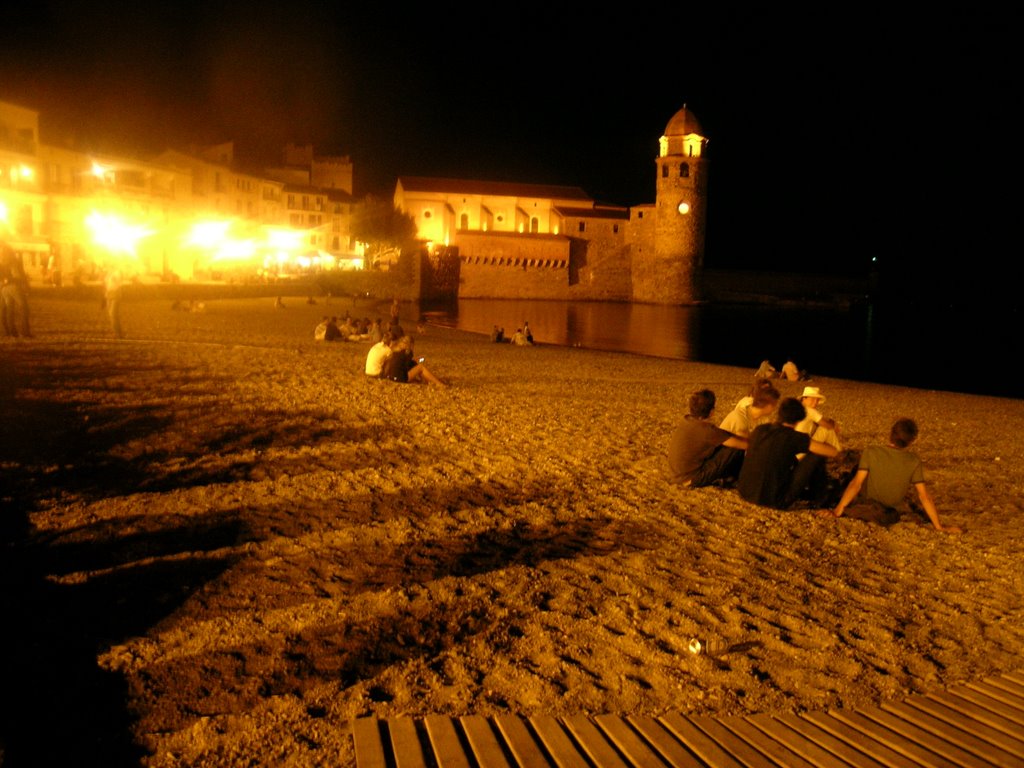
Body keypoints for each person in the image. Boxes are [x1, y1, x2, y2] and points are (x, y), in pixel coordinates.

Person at [825, 418, 961, 532]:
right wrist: (939, 526)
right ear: (911, 440)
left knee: (855, 472)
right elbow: (924, 496)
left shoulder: (871, 451)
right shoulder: (914, 460)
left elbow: (856, 484)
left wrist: (838, 510)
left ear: (891, 433)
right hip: (889, 511)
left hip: (866, 500)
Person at [737, 397, 839, 509]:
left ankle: (814, 492)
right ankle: (821, 497)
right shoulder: (794, 437)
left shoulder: (760, 429)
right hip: (775, 500)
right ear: (799, 419)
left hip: (745, 491)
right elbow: (833, 452)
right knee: (816, 456)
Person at [667, 389, 748, 488]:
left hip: (677, 475)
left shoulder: (686, 421)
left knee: (725, 446)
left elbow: (721, 436)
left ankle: (731, 478)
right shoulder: (706, 430)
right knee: (735, 449)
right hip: (690, 479)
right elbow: (743, 445)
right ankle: (738, 480)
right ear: (712, 411)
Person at [795, 386, 842, 452]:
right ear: (804, 399)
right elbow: (827, 425)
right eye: (812, 399)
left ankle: (833, 450)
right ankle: (838, 452)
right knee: (827, 429)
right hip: (803, 448)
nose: (815, 402)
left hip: (794, 447)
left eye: (817, 400)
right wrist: (834, 426)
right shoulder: (809, 410)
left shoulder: (796, 407)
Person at [1, 246, 32, 338]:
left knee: (9, 309)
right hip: (14, 286)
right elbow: (17, 275)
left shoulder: (2, 261)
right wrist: (25, 284)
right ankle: (24, 332)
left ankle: (11, 332)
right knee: (24, 308)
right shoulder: (13, 261)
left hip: (4, 288)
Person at [104, 265, 124, 339]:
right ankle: (116, 332)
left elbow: (118, 282)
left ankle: (118, 334)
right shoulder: (108, 274)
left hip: (115, 294)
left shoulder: (117, 272)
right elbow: (107, 284)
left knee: (113, 314)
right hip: (109, 294)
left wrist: (113, 277)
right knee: (111, 315)